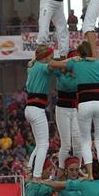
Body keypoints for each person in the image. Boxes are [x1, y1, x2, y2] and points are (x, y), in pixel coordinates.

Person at [24, 45, 68, 177]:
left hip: (29, 108)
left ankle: (29, 169)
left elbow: (55, 70)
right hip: (37, 109)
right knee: (44, 144)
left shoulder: (32, 67)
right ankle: (37, 174)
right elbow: (53, 66)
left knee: (39, 144)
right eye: (51, 56)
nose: (52, 59)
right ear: (47, 57)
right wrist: (70, 61)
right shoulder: (43, 67)